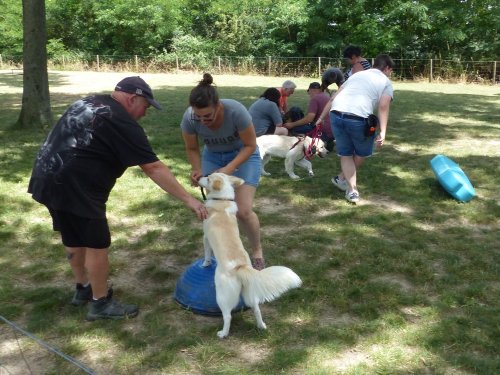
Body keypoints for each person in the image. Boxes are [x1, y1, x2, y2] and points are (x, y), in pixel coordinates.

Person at [28, 76, 208, 321]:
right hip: (77, 186)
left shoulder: (89, 102)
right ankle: (100, 303)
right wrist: (190, 200)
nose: (145, 114)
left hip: (47, 175)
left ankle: (82, 289)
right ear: (133, 98)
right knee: (96, 243)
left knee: (73, 235)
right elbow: (153, 167)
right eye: (145, 107)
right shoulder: (120, 120)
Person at [180, 73, 265, 270]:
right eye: (198, 117)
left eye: (207, 116)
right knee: (217, 211)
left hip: (243, 154)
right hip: (212, 156)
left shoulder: (236, 111)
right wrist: (197, 169)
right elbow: (192, 148)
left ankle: (257, 251)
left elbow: (250, 145)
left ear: (218, 107)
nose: (203, 121)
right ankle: (223, 251)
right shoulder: (189, 118)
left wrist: (229, 168)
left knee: (243, 210)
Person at [316, 54, 395, 203]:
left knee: (346, 154)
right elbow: (383, 106)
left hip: (336, 114)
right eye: (391, 71)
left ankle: (341, 179)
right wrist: (383, 132)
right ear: (387, 68)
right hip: (358, 118)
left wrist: (320, 118)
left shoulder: (355, 76)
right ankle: (352, 190)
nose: (390, 74)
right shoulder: (386, 82)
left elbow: (333, 98)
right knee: (361, 153)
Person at [284, 82, 334, 149]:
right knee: (296, 111)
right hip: (332, 132)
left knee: (294, 129)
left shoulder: (315, 98)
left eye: (309, 92)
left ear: (312, 90)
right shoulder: (326, 96)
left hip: (321, 130)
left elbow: (309, 119)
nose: (309, 95)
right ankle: (326, 141)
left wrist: (292, 124)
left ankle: (318, 141)